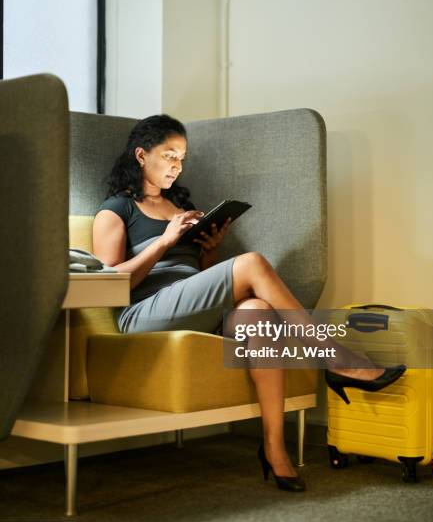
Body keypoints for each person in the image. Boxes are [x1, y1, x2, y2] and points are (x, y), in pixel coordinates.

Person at [93, 114, 406, 493]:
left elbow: (194, 279)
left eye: (182, 157)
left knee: (258, 314)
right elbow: (108, 285)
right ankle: (336, 359)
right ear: (142, 156)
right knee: (253, 262)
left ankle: (273, 446)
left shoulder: (180, 207)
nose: (176, 165)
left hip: (188, 309)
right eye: (168, 155)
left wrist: (209, 251)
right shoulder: (116, 210)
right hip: (142, 314)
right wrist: (164, 242)